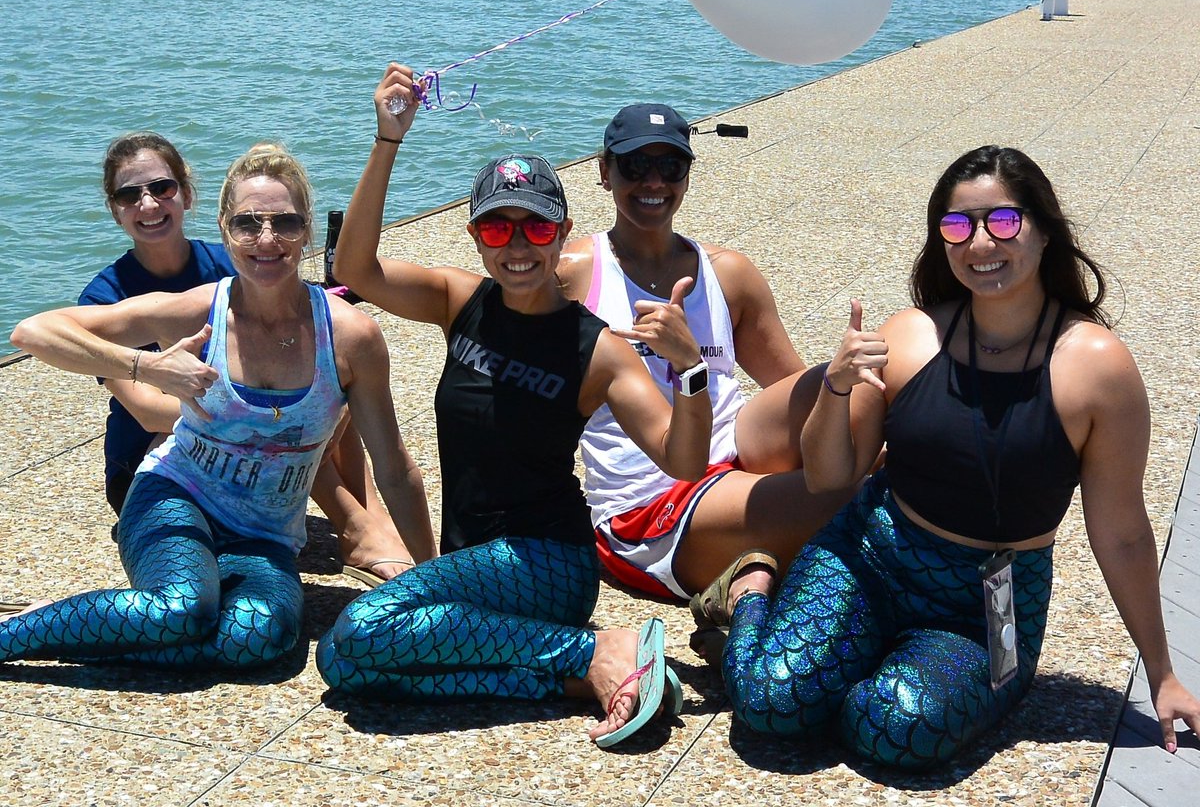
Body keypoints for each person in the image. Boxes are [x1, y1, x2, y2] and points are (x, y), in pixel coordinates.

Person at [709, 145, 1200, 767]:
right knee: (770, 704)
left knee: (896, 730)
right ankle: (751, 588)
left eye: (1003, 221)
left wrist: (1161, 674)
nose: (980, 243)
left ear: (1045, 231)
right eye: (958, 226)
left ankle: (868, 667)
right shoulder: (911, 335)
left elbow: (1122, 532)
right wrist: (835, 388)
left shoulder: (1097, 368)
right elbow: (831, 476)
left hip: (990, 601)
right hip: (870, 555)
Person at [316, 65, 713, 747]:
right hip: (473, 562)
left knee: (360, 630)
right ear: (475, 237)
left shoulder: (599, 350)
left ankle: (596, 648)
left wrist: (691, 369)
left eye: (536, 229)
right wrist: (388, 140)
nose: (518, 247)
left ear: (563, 232)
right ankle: (583, 675)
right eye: (498, 231)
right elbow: (354, 269)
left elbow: (683, 461)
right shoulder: (459, 301)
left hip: (548, 564)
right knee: (352, 667)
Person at [4, 143, 434, 672]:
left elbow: (395, 468)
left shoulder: (351, 336)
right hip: (175, 496)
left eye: (286, 223)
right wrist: (146, 366)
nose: (267, 239)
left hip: (264, 533)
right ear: (225, 230)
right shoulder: (198, 308)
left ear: (307, 231)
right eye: (248, 224)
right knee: (183, 607)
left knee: (259, 640)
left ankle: (85, 625)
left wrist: (434, 581)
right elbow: (33, 332)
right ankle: (19, 634)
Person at [82, 131, 417, 585]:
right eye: (129, 195)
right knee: (277, 417)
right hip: (156, 450)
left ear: (186, 193)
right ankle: (355, 522)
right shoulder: (106, 295)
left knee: (326, 378)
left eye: (162, 188)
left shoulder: (239, 259)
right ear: (114, 208)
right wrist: (256, 417)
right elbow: (144, 410)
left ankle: (364, 516)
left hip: (243, 456)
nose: (148, 204)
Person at [556, 103, 852, 605]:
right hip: (650, 502)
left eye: (670, 166)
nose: (654, 181)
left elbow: (799, 390)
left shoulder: (728, 273)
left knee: (854, 396)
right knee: (857, 498)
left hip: (736, 458)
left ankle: (751, 577)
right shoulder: (573, 275)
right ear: (604, 172)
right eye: (635, 165)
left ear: (688, 175)